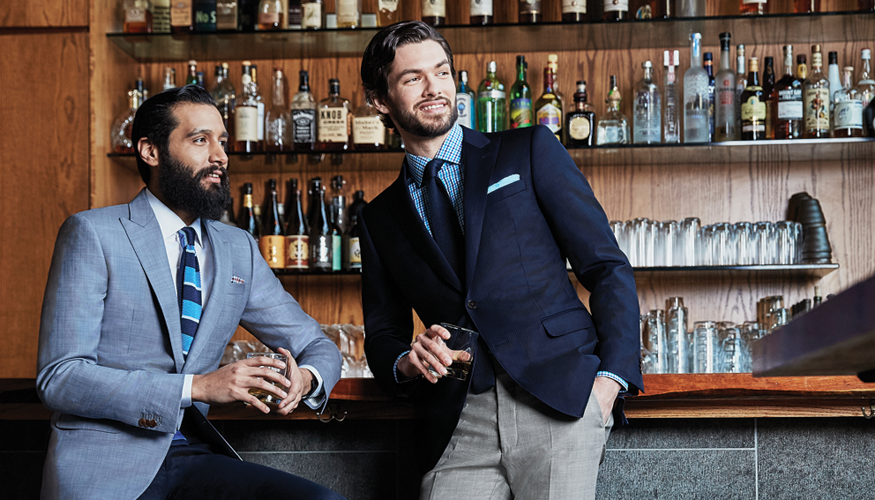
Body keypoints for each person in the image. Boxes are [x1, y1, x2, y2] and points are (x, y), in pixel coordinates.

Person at [359, 22, 643, 499]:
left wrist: (609, 382)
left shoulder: (527, 150)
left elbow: (605, 266)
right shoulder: (379, 217)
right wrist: (409, 361)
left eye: (442, 72)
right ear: (379, 100)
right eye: (412, 79)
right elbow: (382, 333)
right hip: (457, 420)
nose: (434, 89)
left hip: (558, 398)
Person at [36, 85, 345, 500]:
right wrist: (196, 387)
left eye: (223, 141)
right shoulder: (93, 233)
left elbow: (316, 344)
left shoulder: (238, 249)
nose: (220, 156)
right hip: (103, 466)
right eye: (200, 140)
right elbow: (61, 377)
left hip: (192, 459)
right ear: (150, 151)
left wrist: (305, 379)